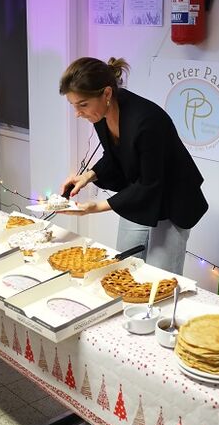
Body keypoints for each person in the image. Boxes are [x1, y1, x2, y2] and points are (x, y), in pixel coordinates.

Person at [57, 57, 208, 275]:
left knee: (160, 277)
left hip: (172, 199)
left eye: (83, 105)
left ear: (106, 93)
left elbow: (150, 182)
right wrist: (88, 176)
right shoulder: (101, 115)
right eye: (73, 105)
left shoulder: (147, 121)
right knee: (123, 266)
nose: (78, 113)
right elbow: (116, 156)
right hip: (140, 192)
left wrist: (96, 207)